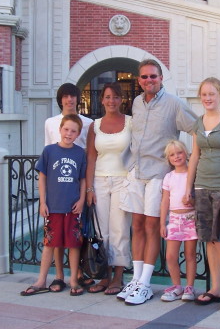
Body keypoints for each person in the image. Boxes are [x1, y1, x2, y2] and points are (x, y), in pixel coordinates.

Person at [118, 59, 197, 305]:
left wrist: (192, 164)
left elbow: (197, 129)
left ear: (160, 78)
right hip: (136, 171)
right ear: (139, 80)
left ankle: (145, 283)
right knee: (137, 226)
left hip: (158, 174)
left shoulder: (174, 104)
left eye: (153, 76)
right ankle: (137, 278)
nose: (149, 80)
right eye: (144, 77)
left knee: (152, 227)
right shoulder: (137, 103)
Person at [184, 77, 220, 311]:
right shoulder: (198, 123)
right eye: (204, 95)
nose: (207, 98)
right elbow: (194, 157)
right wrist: (189, 187)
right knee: (208, 239)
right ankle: (216, 288)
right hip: (202, 187)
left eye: (211, 94)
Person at [21, 114, 87, 296]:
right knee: (50, 244)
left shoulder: (80, 153)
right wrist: (42, 202)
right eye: (66, 129)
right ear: (60, 130)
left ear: (78, 134)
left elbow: (82, 180)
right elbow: (42, 178)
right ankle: (41, 279)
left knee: (74, 245)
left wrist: (81, 200)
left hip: (73, 208)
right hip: (53, 207)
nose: (69, 133)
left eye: (73, 131)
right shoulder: (49, 151)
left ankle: (73, 279)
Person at [44, 83, 94, 292]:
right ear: (61, 99)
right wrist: (44, 195)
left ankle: (79, 273)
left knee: (78, 232)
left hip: (77, 185)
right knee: (55, 234)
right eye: (65, 96)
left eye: (73, 96)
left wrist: (87, 190)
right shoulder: (50, 123)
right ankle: (58, 275)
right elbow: (47, 155)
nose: (69, 100)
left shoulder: (89, 123)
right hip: (57, 188)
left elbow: (90, 154)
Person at [85, 83, 132, 295]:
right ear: (102, 100)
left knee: (120, 229)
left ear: (121, 99)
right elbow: (91, 158)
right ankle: (104, 276)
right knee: (101, 231)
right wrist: (89, 189)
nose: (111, 101)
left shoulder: (131, 123)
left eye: (115, 97)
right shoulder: (94, 126)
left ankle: (118, 278)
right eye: (107, 97)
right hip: (100, 182)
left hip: (124, 181)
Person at [159, 140, 197, 302]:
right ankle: (177, 286)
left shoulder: (192, 174)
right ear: (168, 158)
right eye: (172, 155)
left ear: (186, 153)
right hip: (174, 218)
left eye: (179, 153)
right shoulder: (168, 177)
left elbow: (198, 198)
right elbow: (165, 201)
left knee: (190, 254)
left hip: (190, 218)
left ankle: (189, 286)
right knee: (170, 255)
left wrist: (192, 201)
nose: (176, 157)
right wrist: (162, 223)